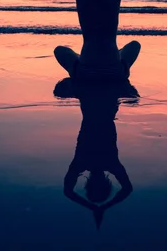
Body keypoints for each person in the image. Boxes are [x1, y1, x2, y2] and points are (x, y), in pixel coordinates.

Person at [54, 78, 138, 229]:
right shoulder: (82, 163)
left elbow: (127, 189)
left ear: (108, 183)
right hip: (92, 92)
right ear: (87, 185)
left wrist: (102, 207)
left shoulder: (110, 164)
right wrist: (95, 207)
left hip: (107, 92)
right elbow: (68, 191)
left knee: (128, 93)